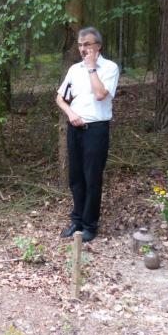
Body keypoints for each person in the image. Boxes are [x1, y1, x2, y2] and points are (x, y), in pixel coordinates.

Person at [55, 27, 120, 243]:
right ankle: (77, 221)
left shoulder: (109, 68)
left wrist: (92, 68)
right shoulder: (74, 69)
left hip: (96, 129)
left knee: (92, 177)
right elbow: (60, 98)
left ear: (98, 46)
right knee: (76, 177)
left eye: (87, 45)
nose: (83, 49)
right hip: (75, 128)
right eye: (80, 45)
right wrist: (71, 113)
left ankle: (90, 224)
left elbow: (100, 94)